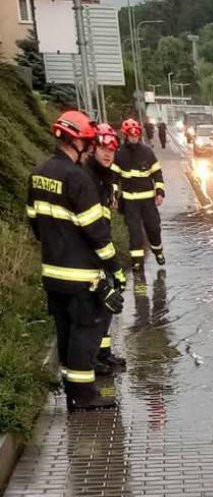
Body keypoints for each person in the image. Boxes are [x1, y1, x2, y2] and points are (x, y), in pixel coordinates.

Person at [26, 110, 125, 412]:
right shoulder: (77, 179)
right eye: (89, 143)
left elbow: (34, 223)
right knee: (85, 331)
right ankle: (84, 397)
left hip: (52, 272)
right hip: (81, 274)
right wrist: (115, 270)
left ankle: (72, 391)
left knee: (66, 332)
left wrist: (57, 245)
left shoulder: (39, 174)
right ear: (79, 142)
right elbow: (97, 233)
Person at [86, 123, 128, 375]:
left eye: (112, 149)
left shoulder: (104, 177)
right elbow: (92, 230)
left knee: (105, 307)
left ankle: (103, 353)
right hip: (89, 257)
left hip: (100, 252)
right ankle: (93, 359)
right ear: (92, 148)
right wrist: (112, 265)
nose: (108, 153)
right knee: (95, 307)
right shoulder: (86, 178)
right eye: (103, 147)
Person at [113, 118, 166, 273]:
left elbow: (157, 174)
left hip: (148, 201)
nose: (134, 137)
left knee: (154, 228)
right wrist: (114, 195)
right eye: (131, 135)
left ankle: (158, 251)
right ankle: (137, 262)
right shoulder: (120, 155)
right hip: (130, 202)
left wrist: (160, 193)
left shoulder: (147, 153)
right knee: (135, 233)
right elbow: (114, 179)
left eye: (136, 134)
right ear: (125, 135)